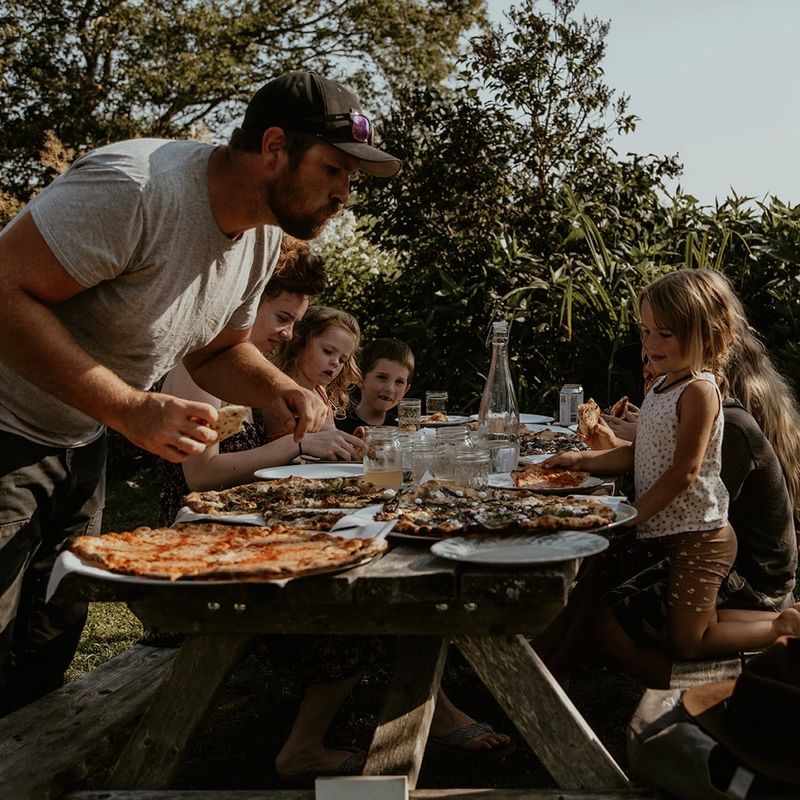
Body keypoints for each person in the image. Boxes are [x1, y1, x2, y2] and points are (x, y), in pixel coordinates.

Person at [0, 68, 401, 714]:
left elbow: (217, 350)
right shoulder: (136, 188)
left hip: (79, 443)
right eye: (334, 170)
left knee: (44, 656)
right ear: (274, 149)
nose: (343, 194)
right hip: (7, 430)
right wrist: (129, 407)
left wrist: (278, 391)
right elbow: (2, 292)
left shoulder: (266, 235)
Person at [544, 269, 800, 681]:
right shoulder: (666, 388)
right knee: (615, 590)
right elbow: (643, 455)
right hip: (691, 539)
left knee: (679, 634)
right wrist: (581, 461)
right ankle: (549, 663)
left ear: (708, 336)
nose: (649, 345)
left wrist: (632, 515)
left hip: (737, 568)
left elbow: (684, 476)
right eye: (646, 332)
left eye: (664, 333)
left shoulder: (708, 402)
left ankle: (722, 684)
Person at [158, 237, 363, 526]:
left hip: (241, 523)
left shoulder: (244, 372)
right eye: (283, 317)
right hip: (198, 532)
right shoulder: (195, 365)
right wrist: (300, 446)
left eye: (294, 323)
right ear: (248, 299)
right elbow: (201, 475)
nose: (289, 334)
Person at [267, 305, 362, 440]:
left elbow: (330, 439)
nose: (335, 363)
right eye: (328, 351)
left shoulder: (320, 392)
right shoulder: (285, 392)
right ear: (299, 343)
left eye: (342, 360)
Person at [335, 338, 415, 434]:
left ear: (406, 390)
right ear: (359, 378)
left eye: (399, 382)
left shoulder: (404, 431)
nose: (390, 389)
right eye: (382, 377)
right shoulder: (336, 426)